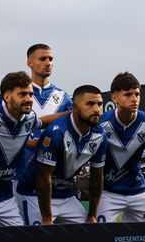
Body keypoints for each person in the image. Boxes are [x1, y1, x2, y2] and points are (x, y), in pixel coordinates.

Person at [0, 72, 64, 227]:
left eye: (30, 94)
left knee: (19, 241)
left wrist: (73, 112)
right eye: (22, 94)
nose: (29, 99)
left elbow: (42, 122)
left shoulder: (29, 118)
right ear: (7, 97)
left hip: (6, 198)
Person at [16, 85, 107, 225]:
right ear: (75, 107)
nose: (96, 109)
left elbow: (97, 178)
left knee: (89, 233)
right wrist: (47, 218)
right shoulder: (56, 132)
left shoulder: (100, 136)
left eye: (99, 104)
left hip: (66, 195)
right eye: (90, 104)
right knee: (40, 236)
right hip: (34, 194)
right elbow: (43, 177)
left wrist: (92, 215)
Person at [97, 72, 145, 222]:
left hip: (138, 191)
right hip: (108, 193)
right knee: (99, 235)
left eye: (137, 94)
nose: (134, 99)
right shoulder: (100, 124)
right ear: (114, 98)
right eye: (128, 94)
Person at [14, 44, 73, 202]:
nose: (48, 63)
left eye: (50, 59)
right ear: (29, 63)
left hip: (52, 174)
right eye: (42, 59)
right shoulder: (17, 94)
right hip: (19, 172)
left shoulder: (64, 97)